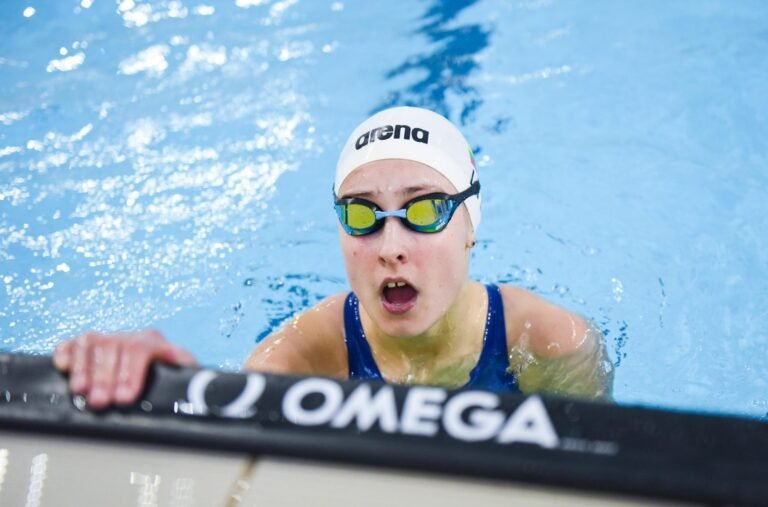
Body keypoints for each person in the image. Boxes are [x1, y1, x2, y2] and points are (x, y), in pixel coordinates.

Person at [53, 106, 614, 410]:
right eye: (362, 214)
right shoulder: (296, 361)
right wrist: (167, 397)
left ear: (471, 227)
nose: (391, 247)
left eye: (425, 211)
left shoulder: (551, 342)